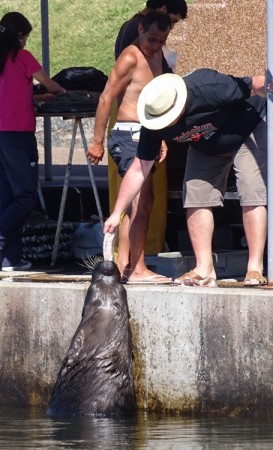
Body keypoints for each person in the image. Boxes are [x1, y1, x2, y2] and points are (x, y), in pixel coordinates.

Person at [103, 70, 273, 287]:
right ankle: (204, 268)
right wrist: (116, 213)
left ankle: (254, 268)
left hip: (247, 127)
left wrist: (271, 85)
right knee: (196, 194)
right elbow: (139, 169)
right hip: (205, 143)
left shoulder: (206, 87)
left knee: (251, 189)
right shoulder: (153, 122)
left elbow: (254, 84)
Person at [0, 11, 66, 274]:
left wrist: (34, 99)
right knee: (25, 197)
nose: (25, 41)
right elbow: (48, 82)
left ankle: (10, 258)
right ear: (20, 36)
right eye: (25, 36)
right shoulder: (22, 57)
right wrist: (61, 92)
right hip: (17, 137)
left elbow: (6, 94)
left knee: (6, 199)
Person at [88, 11, 172, 284]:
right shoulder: (130, 56)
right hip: (127, 134)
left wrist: (159, 137)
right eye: (150, 39)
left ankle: (126, 263)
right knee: (140, 201)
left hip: (147, 133)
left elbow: (155, 101)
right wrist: (97, 141)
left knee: (142, 202)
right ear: (139, 30)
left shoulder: (158, 56)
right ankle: (136, 268)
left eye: (161, 41)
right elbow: (105, 98)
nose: (154, 45)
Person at [115, 0, 188, 66]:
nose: (171, 27)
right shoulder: (145, 31)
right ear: (164, 10)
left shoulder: (132, 24)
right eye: (173, 21)